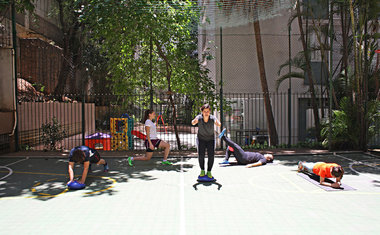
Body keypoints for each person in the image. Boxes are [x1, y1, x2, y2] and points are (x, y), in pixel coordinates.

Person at [192, 104, 221, 181]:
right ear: (202, 111)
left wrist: (218, 123)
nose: (206, 113)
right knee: (201, 155)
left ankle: (209, 172)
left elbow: (217, 122)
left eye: (207, 111)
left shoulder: (212, 118)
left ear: (209, 112)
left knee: (211, 156)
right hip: (201, 139)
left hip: (210, 139)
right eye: (204, 111)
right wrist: (194, 122)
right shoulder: (199, 117)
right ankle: (202, 170)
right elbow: (193, 122)